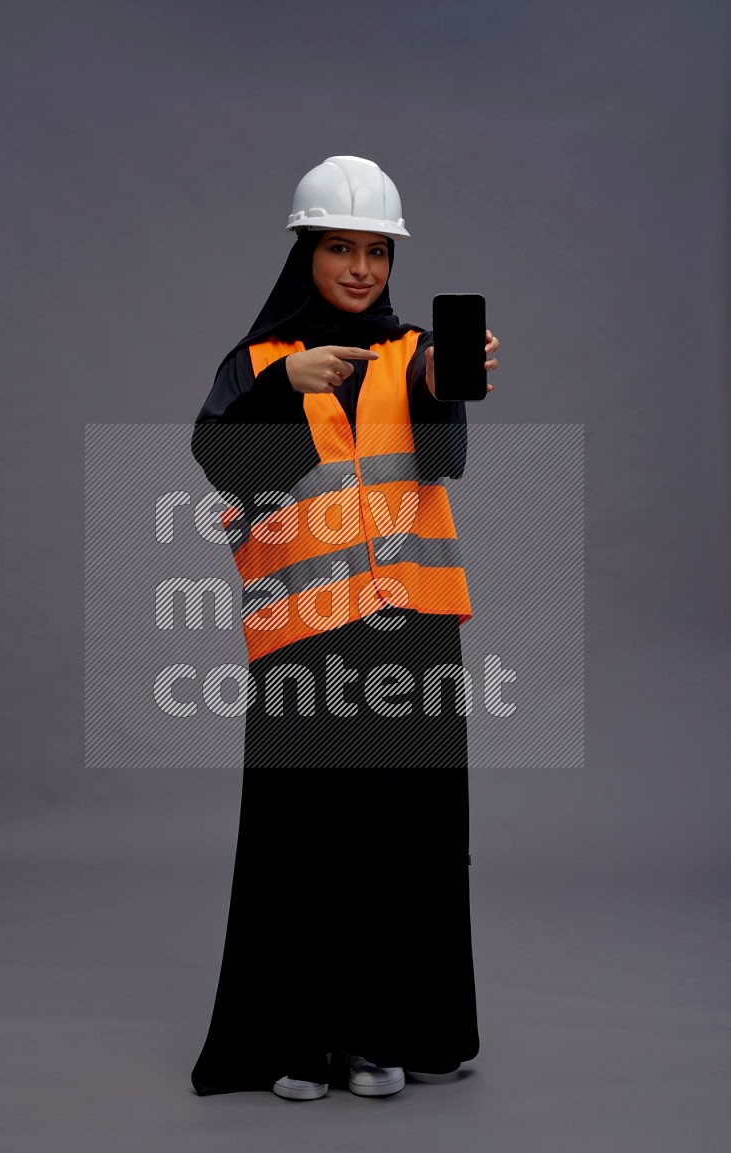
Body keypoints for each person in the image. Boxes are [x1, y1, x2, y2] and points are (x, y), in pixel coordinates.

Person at [188, 155, 499, 1101]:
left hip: (411, 631)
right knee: (306, 837)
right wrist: (289, 390)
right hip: (306, 635)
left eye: (376, 251)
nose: (362, 269)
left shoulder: (417, 357)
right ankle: (297, 1041)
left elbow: (445, 460)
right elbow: (223, 470)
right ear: (305, 252)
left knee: (405, 839)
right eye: (340, 247)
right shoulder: (257, 364)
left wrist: (446, 387)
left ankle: (380, 1037)